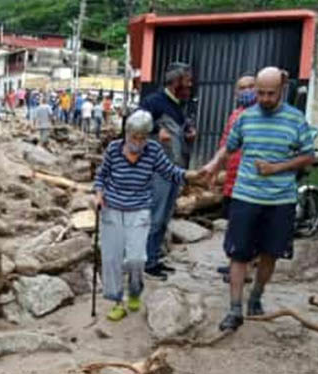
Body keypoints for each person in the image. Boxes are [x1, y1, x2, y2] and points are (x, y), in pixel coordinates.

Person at [202, 67, 317, 331]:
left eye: (270, 94)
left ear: (281, 90)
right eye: (260, 93)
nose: (264, 99)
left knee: (270, 254)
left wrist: (276, 168)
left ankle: (256, 296)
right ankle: (234, 309)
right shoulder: (246, 118)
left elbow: (308, 156)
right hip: (245, 196)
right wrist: (212, 165)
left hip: (280, 200)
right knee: (238, 253)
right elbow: (228, 148)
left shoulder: (296, 119)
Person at [94, 110, 201, 322]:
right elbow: (101, 176)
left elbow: (170, 171)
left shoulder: (153, 150)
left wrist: (194, 176)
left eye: (143, 137)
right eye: (134, 136)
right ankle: (117, 301)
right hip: (112, 209)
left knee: (136, 258)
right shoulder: (114, 149)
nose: (138, 141)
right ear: (126, 133)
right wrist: (98, 195)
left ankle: (134, 291)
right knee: (112, 259)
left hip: (140, 209)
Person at [139, 62, 196, 280]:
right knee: (156, 215)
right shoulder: (153, 102)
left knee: (165, 216)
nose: (190, 85)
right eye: (187, 81)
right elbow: (133, 122)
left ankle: (154, 258)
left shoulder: (180, 105)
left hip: (175, 168)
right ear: (175, 82)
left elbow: (180, 133)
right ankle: (147, 261)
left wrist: (189, 133)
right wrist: (155, 130)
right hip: (158, 170)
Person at [216, 72, 256, 277]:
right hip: (232, 179)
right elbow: (226, 142)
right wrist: (217, 167)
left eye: (251, 86)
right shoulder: (235, 114)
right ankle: (234, 262)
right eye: (242, 87)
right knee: (233, 223)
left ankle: (245, 269)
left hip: (250, 179)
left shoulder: (259, 115)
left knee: (246, 226)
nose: (247, 91)